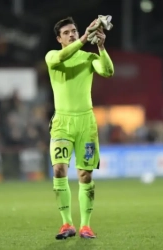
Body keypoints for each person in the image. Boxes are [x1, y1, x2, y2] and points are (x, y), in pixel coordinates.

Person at [45, 17, 114, 240]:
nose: (72, 34)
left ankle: (85, 226)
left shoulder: (89, 57)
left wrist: (101, 47)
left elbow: (108, 71)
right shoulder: (53, 56)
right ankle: (66, 224)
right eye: (67, 32)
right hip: (62, 123)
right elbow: (63, 55)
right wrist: (85, 38)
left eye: (74, 31)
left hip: (86, 123)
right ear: (59, 38)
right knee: (59, 170)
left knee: (85, 175)